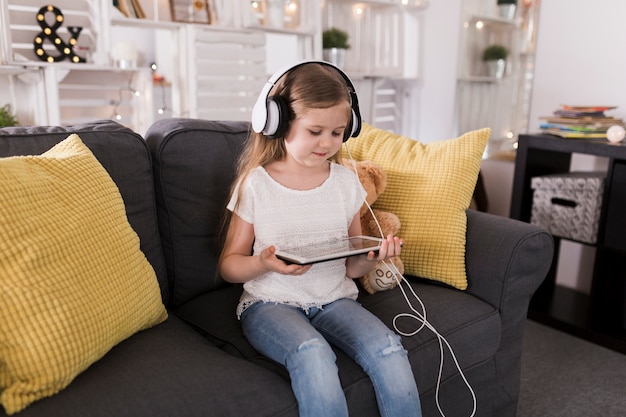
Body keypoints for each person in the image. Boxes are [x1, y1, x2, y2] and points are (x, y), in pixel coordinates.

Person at [218, 61, 422, 417]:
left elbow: (351, 266)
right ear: (278, 123)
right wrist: (262, 263)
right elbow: (228, 266)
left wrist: (371, 257)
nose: (327, 143)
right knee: (311, 352)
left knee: (388, 347)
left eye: (337, 132)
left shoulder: (346, 182)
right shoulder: (256, 185)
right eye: (315, 131)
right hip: (270, 303)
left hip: (334, 298)